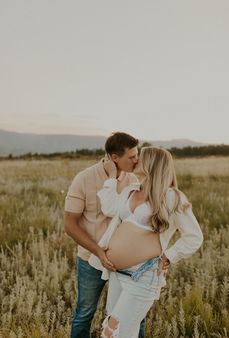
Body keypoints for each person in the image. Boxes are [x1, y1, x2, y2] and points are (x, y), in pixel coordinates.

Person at [89, 147, 203, 338]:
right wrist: (111, 178)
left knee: (113, 332)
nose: (135, 160)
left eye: (139, 158)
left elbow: (194, 236)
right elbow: (109, 208)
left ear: (152, 164)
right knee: (122, 331)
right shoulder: (131, 190)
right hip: (118, 273)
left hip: (143, 275)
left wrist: (169, 256)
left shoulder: (172, 196)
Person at [64, 132, 147, 338]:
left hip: (126, 262)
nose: (137, 160)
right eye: (132, 157)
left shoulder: (133, 179)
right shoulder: (84, 178)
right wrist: (98, 252)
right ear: (114, 157)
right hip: (91, 259)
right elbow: (70, 225)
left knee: (135, 315)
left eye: (137, 155)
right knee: (85, 313)